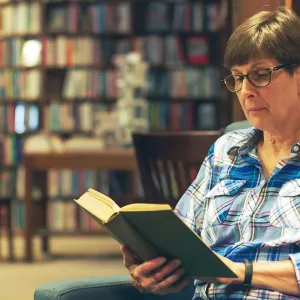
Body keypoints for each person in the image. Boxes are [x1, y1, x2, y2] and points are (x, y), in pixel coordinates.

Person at [121, 7, 300, 299]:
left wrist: (236, 270)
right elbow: (181, 242)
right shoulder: (225, 151)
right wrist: (148, 264)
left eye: (260, 75)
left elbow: (223, 268)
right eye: (237, 78)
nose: (245, 90)